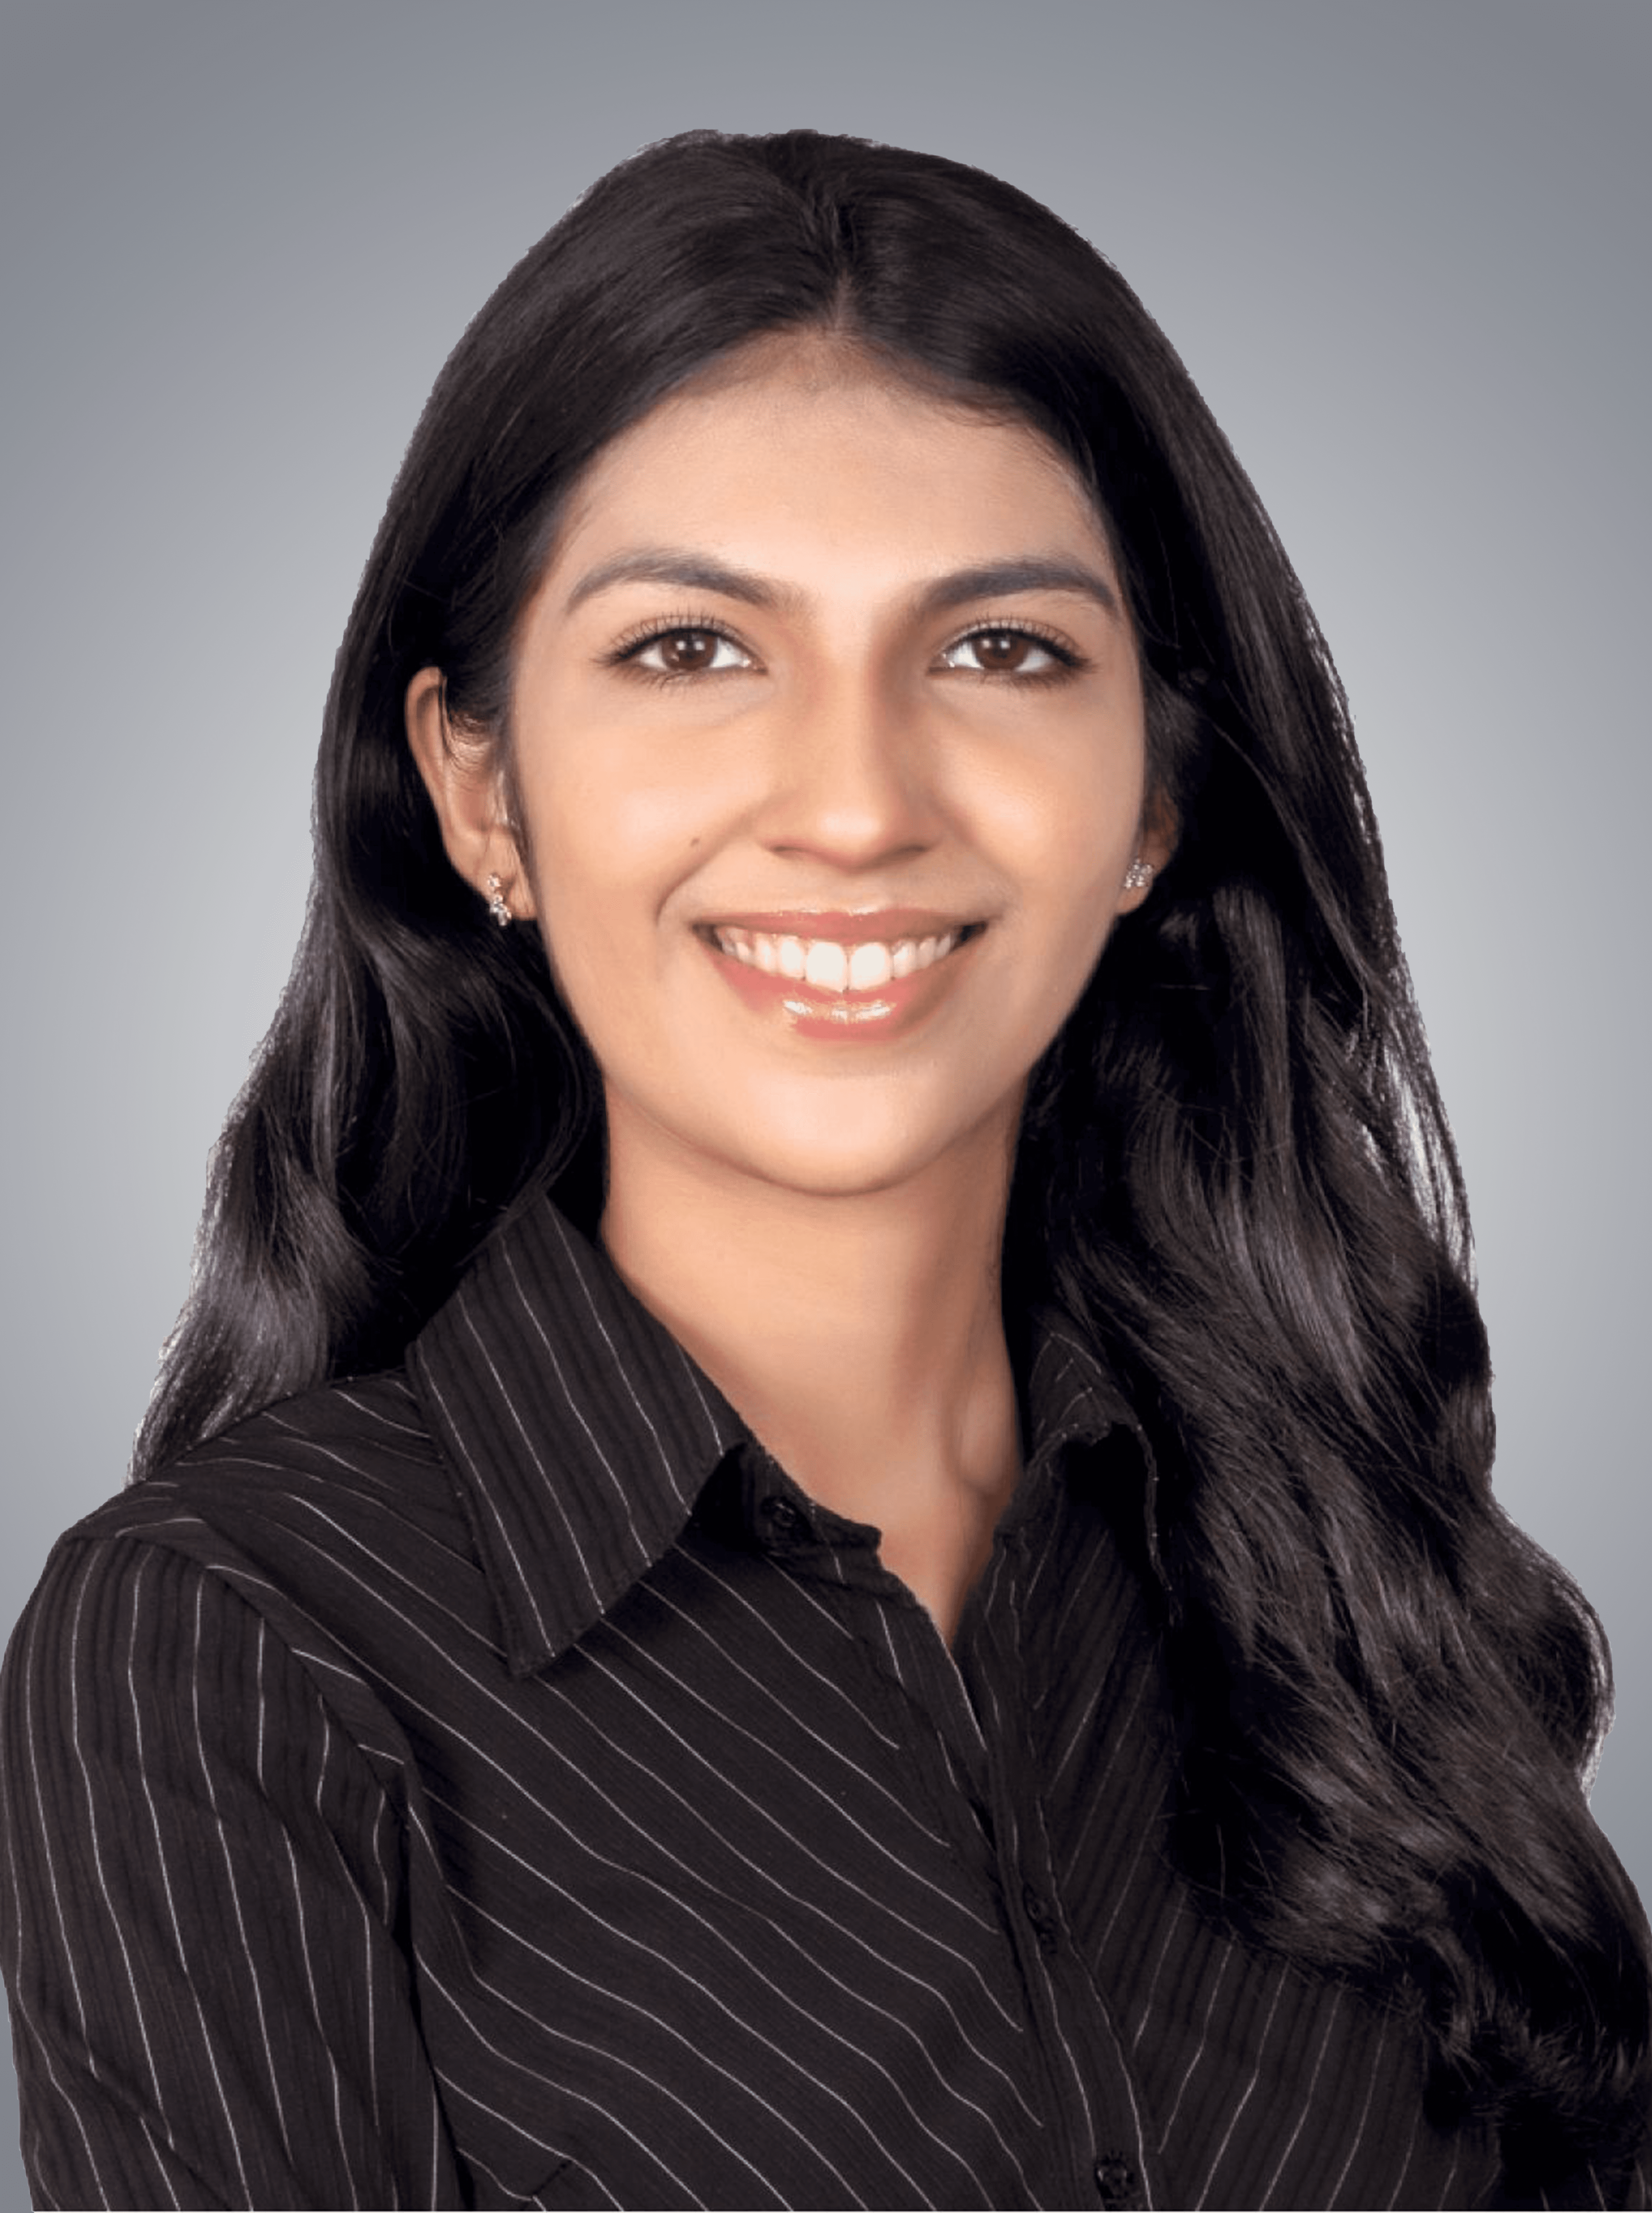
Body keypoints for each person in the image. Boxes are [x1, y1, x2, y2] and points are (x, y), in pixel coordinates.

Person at [1, 127, 1646, 2213]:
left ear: (1153, 801)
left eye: (1000, 651)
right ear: (479, 789)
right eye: (692, 650)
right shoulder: (235, 1653)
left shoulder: (1346, 1591)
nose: (857, 806)